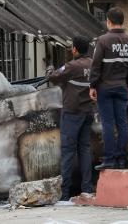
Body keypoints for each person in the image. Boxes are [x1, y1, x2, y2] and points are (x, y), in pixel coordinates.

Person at [89, 7, 128, 170]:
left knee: (108, 123)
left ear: (108, 21)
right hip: (122, 87)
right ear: (122, 22)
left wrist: (92, 85)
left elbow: (95, 66)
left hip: (105, 88)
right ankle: (122, 159)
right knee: (122, 123)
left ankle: (109, 159)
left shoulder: (103, 40)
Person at [48, 36, 94, 200]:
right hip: (88, 111)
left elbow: (54, 77)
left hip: (72, 112)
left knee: (68, 151)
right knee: (84, 150)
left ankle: (65, 193)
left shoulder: (72, 66)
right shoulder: (93, 64)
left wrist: (49, 71)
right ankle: (87, 189)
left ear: (75, 49)